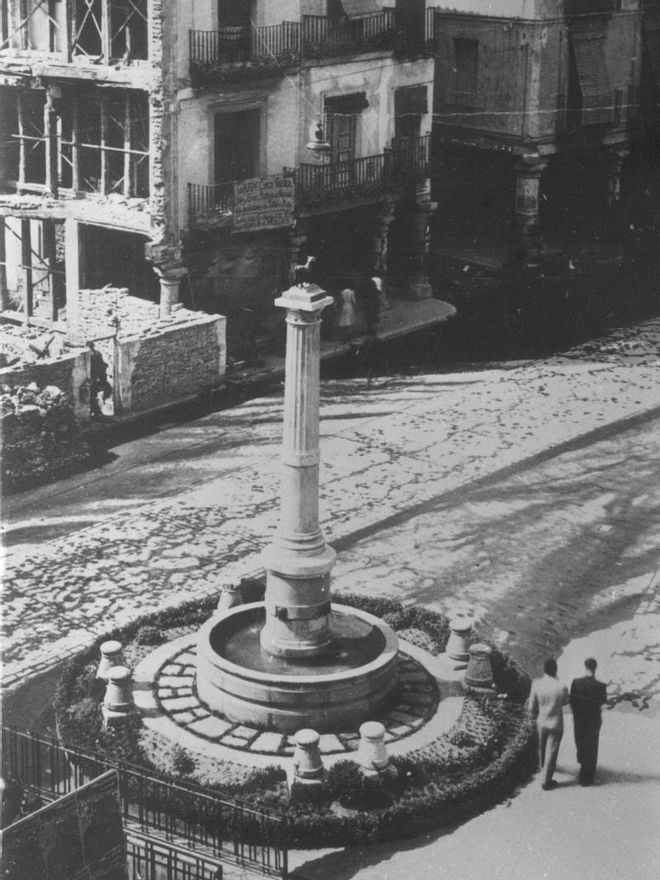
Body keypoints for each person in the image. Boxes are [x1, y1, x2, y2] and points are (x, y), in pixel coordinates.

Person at [527, 657, 569, 790]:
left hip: (541, 721)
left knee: (542, 749)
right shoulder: (561, 686)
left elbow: (531, 707)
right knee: (552, 751)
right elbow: (565, 701)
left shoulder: (536, 684)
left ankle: (542, 771)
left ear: (544, 670)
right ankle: (546, 781)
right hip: (556, 722)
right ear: (555, 670)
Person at [570, 657, 608, 786]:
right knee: (592, 745)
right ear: (595, 668)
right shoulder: (600, 686)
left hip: (579, 719)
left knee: (580, 742)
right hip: (593, 720)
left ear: (585, 667)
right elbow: (603, 701)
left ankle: (583, 766)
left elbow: (572, 702)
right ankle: (588, 774)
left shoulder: (576, 682)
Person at [87, 341, 112, 418]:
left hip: (94, 375)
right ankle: (98, 408)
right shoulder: (97, 353)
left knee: (94, 392)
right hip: (98, 374)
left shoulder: (89, 356)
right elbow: (101, 363)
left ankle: (97, 410)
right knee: (103, 387)